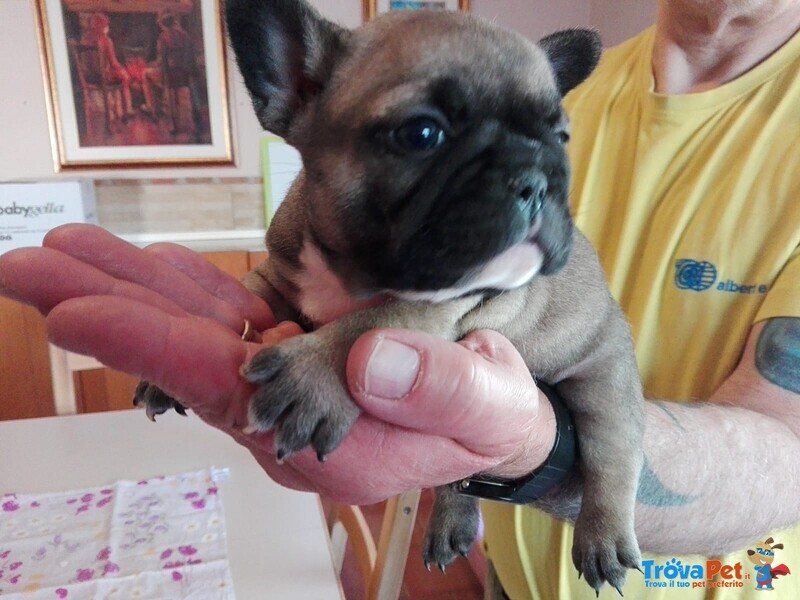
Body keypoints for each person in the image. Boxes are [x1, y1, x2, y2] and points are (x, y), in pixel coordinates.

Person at [0, 0, 797, 598]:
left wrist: (523, 450)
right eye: (421, 135)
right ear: (297, 91)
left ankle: (601, 512)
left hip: (724, 575)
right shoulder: (571, 83)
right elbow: (277, 283)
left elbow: (446, 311)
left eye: (545, 140)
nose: (527, 180)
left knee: (601, 392)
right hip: (516, 575)